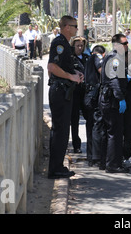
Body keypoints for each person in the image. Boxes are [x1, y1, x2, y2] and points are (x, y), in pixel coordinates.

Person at [47, 16, 83, 179]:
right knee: (60, 131)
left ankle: (58, 166)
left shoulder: (64, 44)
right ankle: (55, 169)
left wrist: (75, 74)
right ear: (67, 27)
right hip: (60, 91)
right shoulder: (60, 43)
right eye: (75, 26)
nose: (77, 29)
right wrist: (70, 76)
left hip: (63, 90)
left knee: (62, 131)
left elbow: (59, 67)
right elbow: (52, 67)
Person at [98, 33, 130, 173]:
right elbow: (114, 80)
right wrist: (121, 98)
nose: (127, 46)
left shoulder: (111, 57)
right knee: (115, 133)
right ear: (117, 45)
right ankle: (113, 164)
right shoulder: (116, 59)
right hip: (112, 101)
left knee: (108, 132)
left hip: (107, 99)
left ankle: (105, 162)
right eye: (124, 43)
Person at [84, 45, 106, 167]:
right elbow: (101, 71)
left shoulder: (88, 59)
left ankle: (91, 156)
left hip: (88, 95)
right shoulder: (97, 57)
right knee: (97, 125)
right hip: (95, 95)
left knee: (90, 125)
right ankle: (97, 157)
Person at [70, 36, 89, 154]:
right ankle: (76, 145)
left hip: (86, 92)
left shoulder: (87, 58)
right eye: (78, 45)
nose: (80, 48)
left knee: (89, 118)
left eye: (82, 46)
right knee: (74, 119)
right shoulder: (70, 59)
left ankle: (91, 145)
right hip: (75, 92)